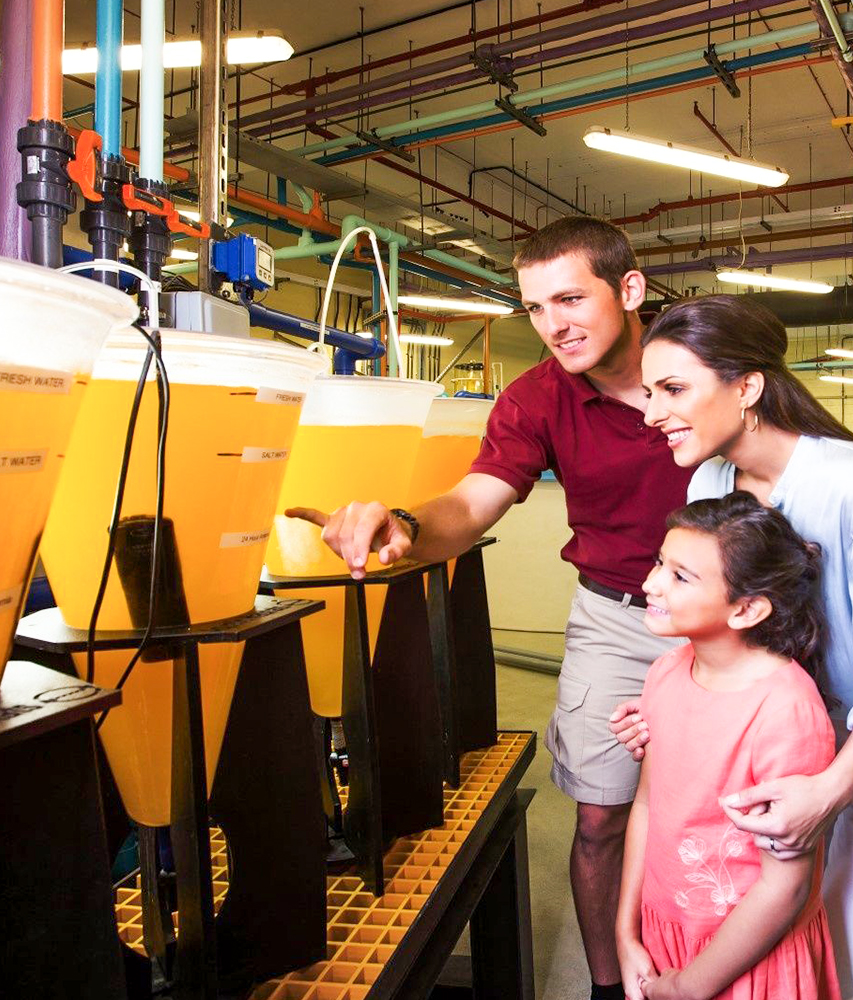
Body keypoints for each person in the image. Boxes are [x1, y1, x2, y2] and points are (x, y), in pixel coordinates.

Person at [292, 216, 693, 1000]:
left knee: (728, 812)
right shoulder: (537, 397)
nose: (554, 326)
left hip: (728, 623)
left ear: (631, 288)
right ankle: (611, 990)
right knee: (599, 819)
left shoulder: (700, 362)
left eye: (571, 298)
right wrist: (403, 525)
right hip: (617, 617)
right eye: (536, 308)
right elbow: (474, 505)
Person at [612, 295, 853, 1000]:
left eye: (674, 389)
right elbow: (728, 632)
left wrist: (830, 791)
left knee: (843, 972)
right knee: (767, 957)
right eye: (650, 392)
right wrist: (675, 714)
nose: (651, 412)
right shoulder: (709, 477)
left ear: (747, 386)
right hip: (784, 754)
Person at [617, 493, 841, 1000]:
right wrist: (625, 932)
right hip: (664, 932)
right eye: (659, 563)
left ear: (745, 608)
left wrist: (692, 987)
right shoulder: (665, 672)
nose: (651, 584)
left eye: (680, 576)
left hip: (742, 955)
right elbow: (649, 806)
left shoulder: (787, 710)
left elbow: (784, 887)